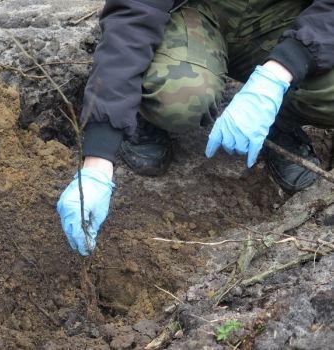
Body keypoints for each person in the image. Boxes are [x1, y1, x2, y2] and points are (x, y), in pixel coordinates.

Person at [57, 0, 334, 256]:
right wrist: (97, 161)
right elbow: (133, 17)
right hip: (198, 12)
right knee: (177, 98)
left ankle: (278, 118)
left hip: (288, 18)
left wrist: (279, 73)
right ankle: (144, 107)